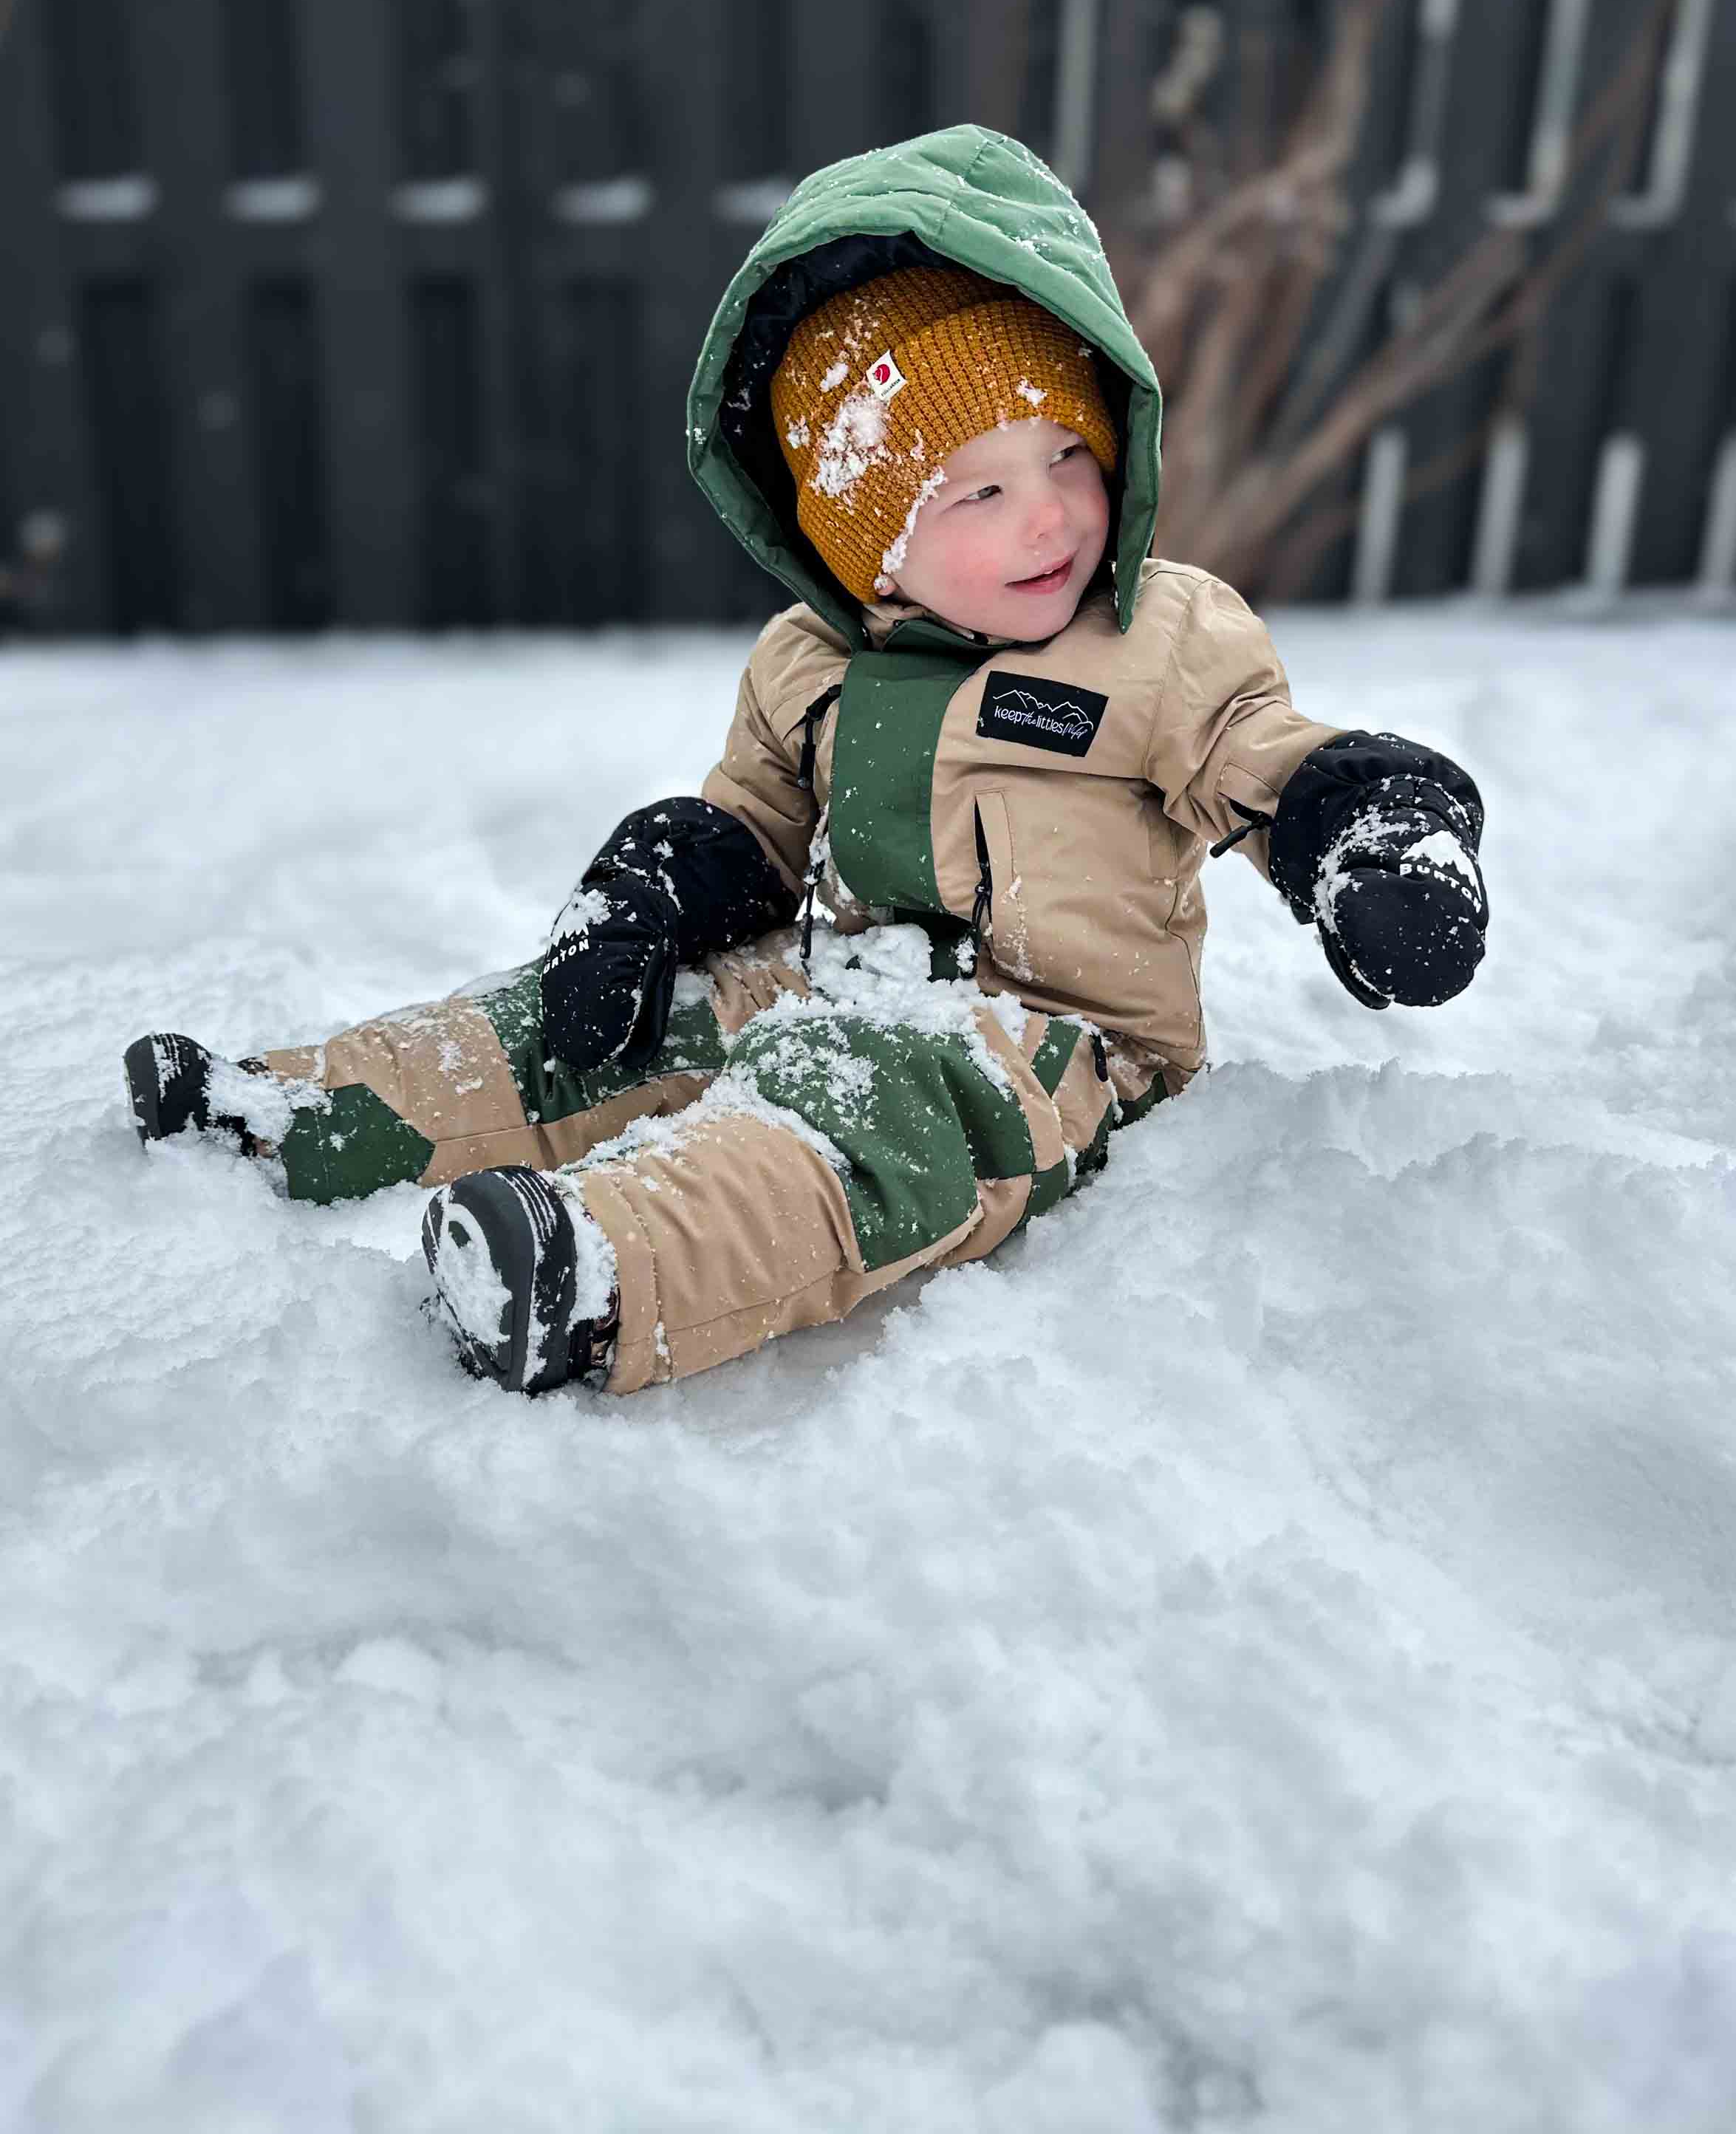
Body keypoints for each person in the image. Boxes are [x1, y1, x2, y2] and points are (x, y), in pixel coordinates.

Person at [123, 125, 1489, 1399]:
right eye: (978, 490)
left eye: (1069, 452)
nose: (1051, 516)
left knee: (857, 1095)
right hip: (827, 974)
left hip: (1053, 1044)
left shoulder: (1157, 641)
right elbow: (757, 824)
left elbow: (1277, 762)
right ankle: (293, 1114)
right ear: (863, 540)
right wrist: (657, 891)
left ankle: (599, 1270)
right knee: (603, 1011)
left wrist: (1377, 837)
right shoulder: (807, 658)